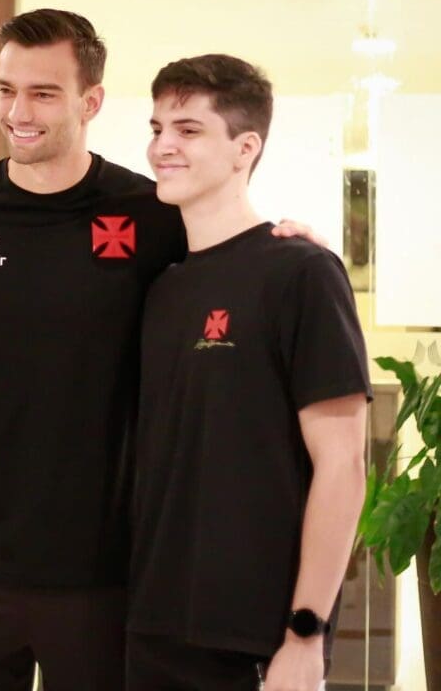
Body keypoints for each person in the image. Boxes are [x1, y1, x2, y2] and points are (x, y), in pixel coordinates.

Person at [0, 10, 320, 691]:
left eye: (43, 93)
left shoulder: (154, 214)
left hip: (110, 573)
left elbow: (236, 259)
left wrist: (293, 246)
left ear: (90, 101)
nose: (18, 112)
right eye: (6, 90)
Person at [127, 54, 372, 691]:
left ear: (245, 148)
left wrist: (306, 634)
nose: (162, 146)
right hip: (153, 626)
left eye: (188, 129)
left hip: (255, 638)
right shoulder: (162, 288)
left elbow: (344, 466)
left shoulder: (302, 272)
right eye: (157, 128)